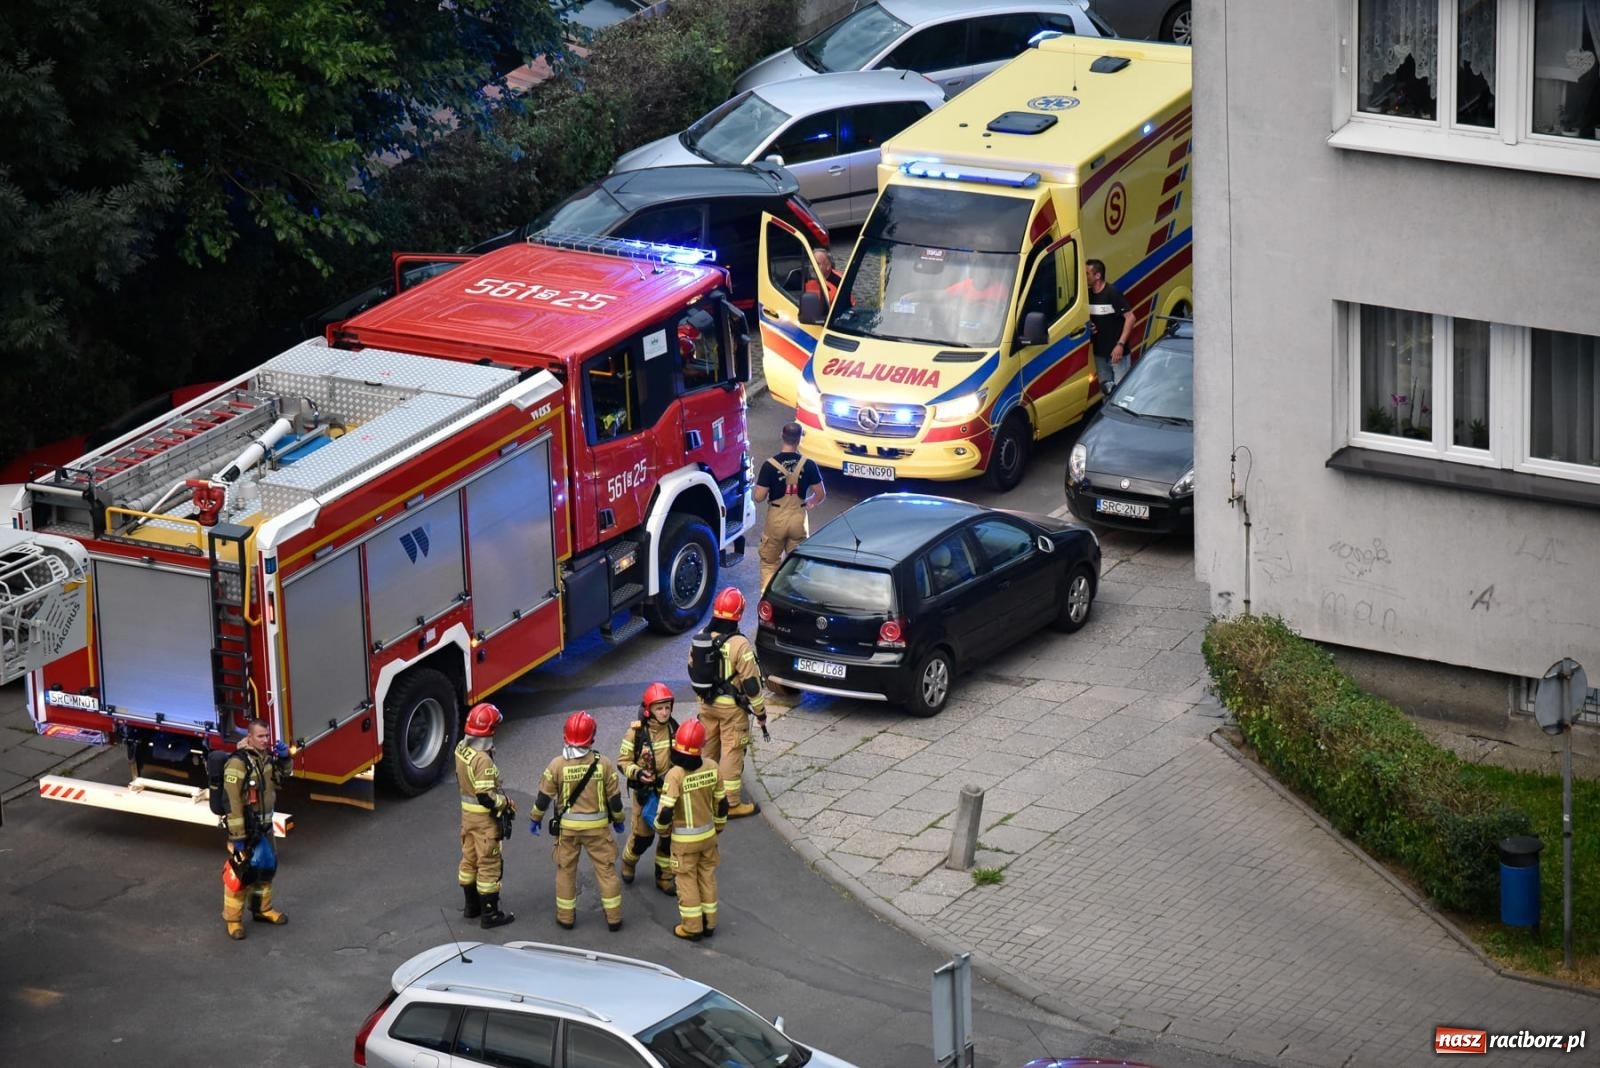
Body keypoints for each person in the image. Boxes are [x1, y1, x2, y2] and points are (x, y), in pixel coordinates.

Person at [528, 711, 627, 931]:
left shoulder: (557, 765)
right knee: (606, 871)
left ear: (565, 736)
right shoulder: (604, 765)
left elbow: (543, 798)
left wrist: (535, 819)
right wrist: (619, 820)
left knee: (566, 870)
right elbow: (615, 800)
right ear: (592, 738)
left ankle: (565, 917)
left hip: (568, 831)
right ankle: (614, 918)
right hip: (598, 830)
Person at [690, 587, 768, 818]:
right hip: (732, 709)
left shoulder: (702, 636)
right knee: (732, 752)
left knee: (707, 750)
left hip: (706, 704)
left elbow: (692, 667)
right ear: (739, 613)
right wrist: (760, 712)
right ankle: (731, 804)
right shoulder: (739, 644)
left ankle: (702, 797)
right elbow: (751, 683)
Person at [653, 719, 728, 941]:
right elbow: (721, 804)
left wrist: (660, 829)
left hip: (684, 842)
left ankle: (692, 927)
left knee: (686, 882)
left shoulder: (675, 775)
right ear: (701, 746)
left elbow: (665, 812)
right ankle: (710, 923)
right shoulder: (712, 767)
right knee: (707, 877)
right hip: (709, 836)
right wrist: (719, 826)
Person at [220, 718, 293, 940]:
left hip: (264, 828)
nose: (265, 740)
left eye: (267, 736)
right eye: (260, 736)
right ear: (249, 737)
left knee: (266, 870)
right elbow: (232, 802)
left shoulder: (265, 760)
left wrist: (285, 759)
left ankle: (262, 910)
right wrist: (238, 837)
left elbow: (281, 779)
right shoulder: (238, 764)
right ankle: (233, 920)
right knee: (241, 875)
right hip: (246, 832)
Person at [455, 702, 516, 929]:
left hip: (467, 818)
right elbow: (486, 797)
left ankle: (472, 907)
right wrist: (505, 803)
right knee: (489, 863)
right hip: (484, 822)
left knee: (469, 860)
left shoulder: (461, 749)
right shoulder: (483, 760)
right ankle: (490, 914)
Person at [618, 682, 679, 894]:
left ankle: (664, 877)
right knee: (642, 838)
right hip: (645, 795)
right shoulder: (635, 733)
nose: (664, 712)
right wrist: (637, 773)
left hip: (668, 795)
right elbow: (623, 762)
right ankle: (628, 861)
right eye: (659, 708)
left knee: (668, 837)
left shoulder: (673, 728)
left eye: (667, 708)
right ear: (648, 710)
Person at [754, 420, 825, 592]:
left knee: (770, 563)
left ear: (782, 436)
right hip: (798, 519)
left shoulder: (769, 465)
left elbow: (758, 497)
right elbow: (821, 493)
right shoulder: (808, 465)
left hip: (776, 519)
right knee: (797, 565)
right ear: (799, 439)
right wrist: (809, 502)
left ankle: (768, 602)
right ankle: (794, 602)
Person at [1086, 258, 1135, 395]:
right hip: (1100, 354)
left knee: (1121, 392)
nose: (1085, 277)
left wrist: (1120, 345)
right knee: (1106, 392)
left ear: (1098, 275)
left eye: (1087, 274)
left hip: (1117, 355)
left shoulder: (1112, 293)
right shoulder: (1088, 296)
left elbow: (1131, 318)